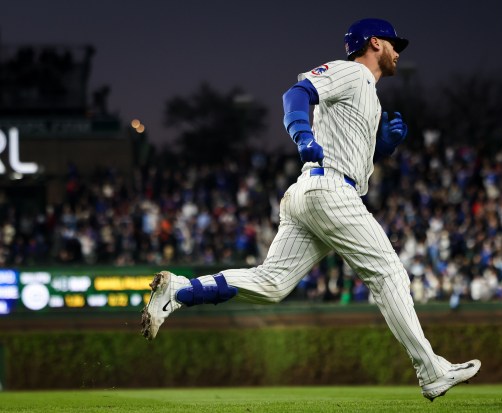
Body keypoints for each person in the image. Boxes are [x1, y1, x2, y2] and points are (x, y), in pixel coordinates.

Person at [141, 17, 480, 401]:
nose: (398, 51)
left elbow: (350, 151)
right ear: (374, 43)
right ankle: (431, 371)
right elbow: (295, 95)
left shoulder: (368, 93)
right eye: (393, 43)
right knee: (388, 274)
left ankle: (180, 291)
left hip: (313, 192)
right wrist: (302, 136)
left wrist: (381, 147)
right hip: (329, 189)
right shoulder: (350, 72)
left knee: (272, 284)